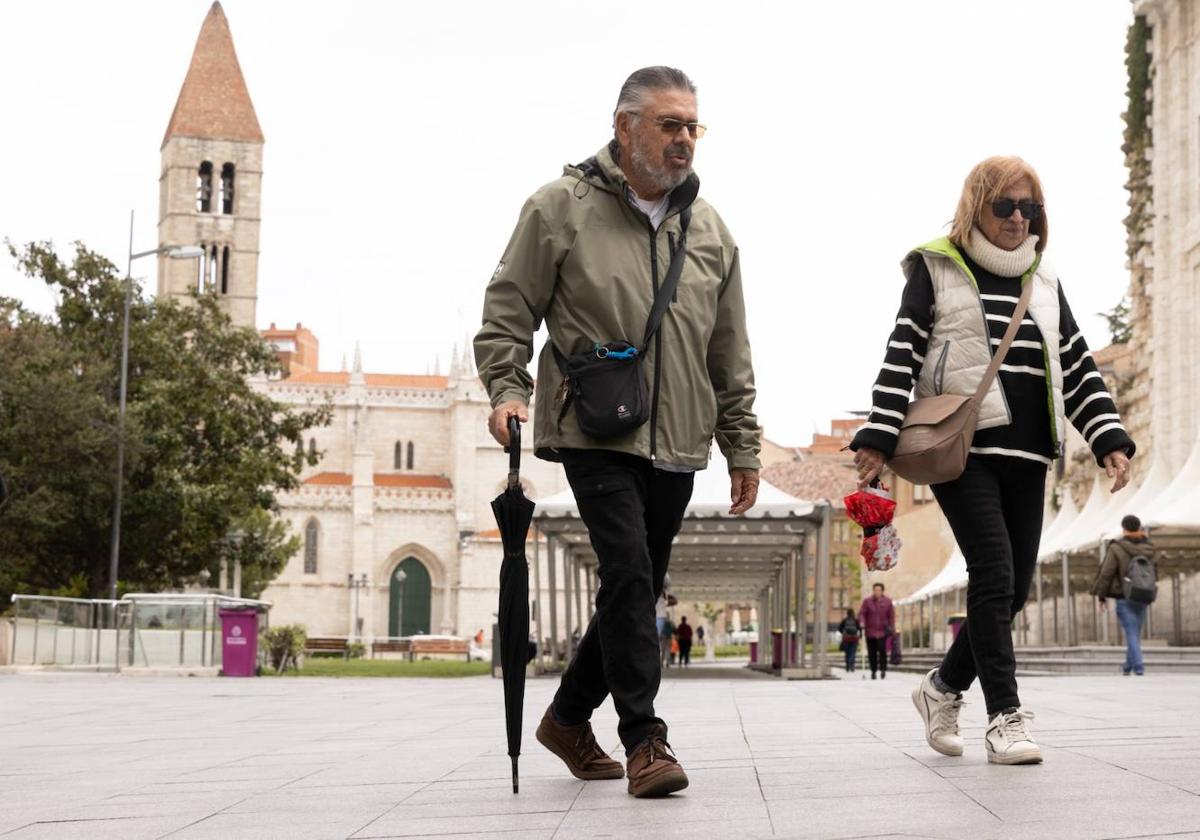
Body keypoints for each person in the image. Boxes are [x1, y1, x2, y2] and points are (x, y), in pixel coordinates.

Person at [475, 66, 763, 798]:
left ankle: (569, 717)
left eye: (693, 126)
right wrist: (506, 388)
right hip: (593, 427)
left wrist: (743, 444)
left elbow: (729, 348)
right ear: (624, 126)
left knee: (637, 586)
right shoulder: (559, 208)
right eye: (669, 125)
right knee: (629, 573)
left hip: (679, 437)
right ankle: (646, 740)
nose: (684, 140)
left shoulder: (713, 231)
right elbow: (509, 305)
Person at [851, 156, 1135, 765]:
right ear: (976, 205)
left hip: (1030, 454)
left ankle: (941, 688)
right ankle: (1005, 719)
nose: (1017, 218)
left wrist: (1108, 437)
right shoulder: (938, 267)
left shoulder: (1046, 276)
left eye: (1029, 207)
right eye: (1004, 205)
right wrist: (878, 433)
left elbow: (1078, 364)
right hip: (964, 450)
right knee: (994, 573)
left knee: (1013, 590)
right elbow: (903, 348)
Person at [1092, 515, 1155, 676]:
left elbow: (1106, 573)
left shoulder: (1117, 547)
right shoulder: (1149, 547)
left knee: (1131, 633)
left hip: (1123, 596)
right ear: (1139, 528)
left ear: (1124, 529)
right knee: (1134, 632)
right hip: (1143, 595)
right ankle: (1127, 666)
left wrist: (1101, 596)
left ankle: (1138, 667)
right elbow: (1154, 571)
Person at [858, 584, 894, 680]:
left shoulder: (888, 601)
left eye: (879, 590)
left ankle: (883, 670)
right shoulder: (867, 601)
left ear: (882, 591)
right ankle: (873, 671)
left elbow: (891, 616)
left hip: (882, 631)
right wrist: (862, 622)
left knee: (882, 651)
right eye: (875, 590)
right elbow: (862, 613)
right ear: (873, 591)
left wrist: (892, 628)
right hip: (870, 632)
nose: (877, 592)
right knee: (872, 653)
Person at [837, 608, 861, 673]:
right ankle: (852, 665)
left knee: (847, 653)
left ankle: (847, 666)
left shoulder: (844, 620)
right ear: (853, 613)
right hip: (854, 639)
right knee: (853, 652)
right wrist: (860, 636)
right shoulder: (856, 620)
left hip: (846, 639)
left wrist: (843, 633)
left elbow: (839, 628)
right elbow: (859, 628)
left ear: (847, 613)